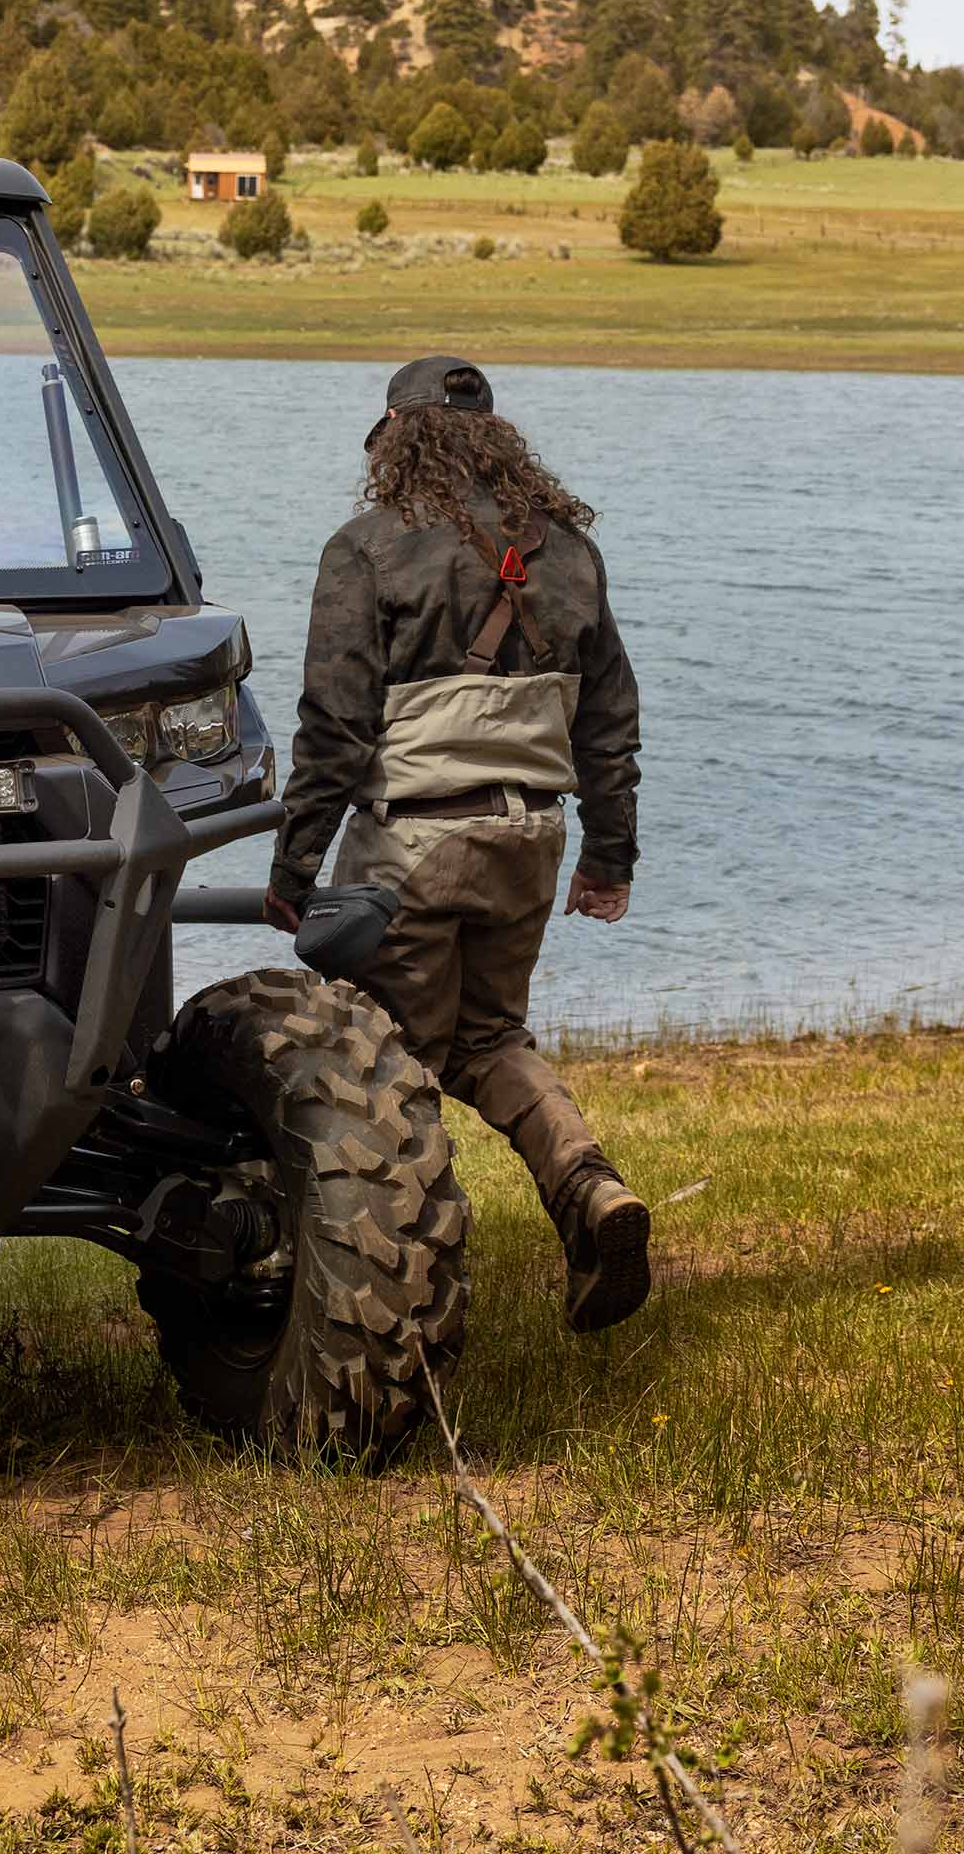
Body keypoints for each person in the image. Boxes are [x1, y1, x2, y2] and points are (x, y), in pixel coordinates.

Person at [268, 356, 652, 1330]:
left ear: (394, 438)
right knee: (488, 1040)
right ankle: (593, 1193)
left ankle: (399, 1285)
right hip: (531, 838)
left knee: (379, 1063)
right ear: (498, 443)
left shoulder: (364, 550)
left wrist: (293, 865)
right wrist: (609, 856)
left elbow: (334, 726)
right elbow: (608, 723)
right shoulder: (569, 553)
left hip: (415, 847)